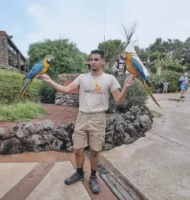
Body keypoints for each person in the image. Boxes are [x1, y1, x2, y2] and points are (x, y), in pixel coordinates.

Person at [41, 50, 135, 194]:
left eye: (96, 59)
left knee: (95, 151)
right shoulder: (82, 78)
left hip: (98, 117)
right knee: (78, 149)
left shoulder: (109, 79)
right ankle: (79, 173)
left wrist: (126, 88)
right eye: (91, 59)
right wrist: (50, 81)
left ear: (103, 61)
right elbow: (66, 89)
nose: (93, 62)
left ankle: (93, 176)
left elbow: (118, 100)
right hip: (82, 116)